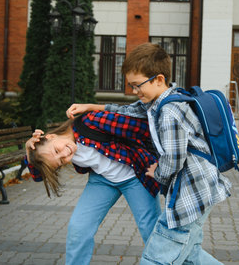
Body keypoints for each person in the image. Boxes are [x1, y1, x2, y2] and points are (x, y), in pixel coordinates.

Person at [67, 42, 232, 264]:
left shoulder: (170, 112)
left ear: (159, 79)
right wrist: (90, 106)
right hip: (196, 189)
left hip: (192, 191)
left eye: (137, 85)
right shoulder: (157, 103)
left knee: (155, 259)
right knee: (190, 257)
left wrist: (158, 174)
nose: (135, 91)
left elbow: (174, 159)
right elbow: (128, 110)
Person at [24, 110, 161, 265]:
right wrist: (29, 151)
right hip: (102, 181)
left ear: (51, 137)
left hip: (135, 177)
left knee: (151, 230)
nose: (64, 154)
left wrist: (161, 161)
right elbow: (38, 176)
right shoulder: (60, 150)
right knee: (78, 228)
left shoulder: (91, 121)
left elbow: (143, 127)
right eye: (61, 161)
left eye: (56, 150)